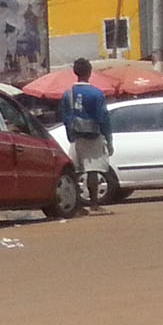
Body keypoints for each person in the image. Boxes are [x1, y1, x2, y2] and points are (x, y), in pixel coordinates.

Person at [59, 58, 116, 211]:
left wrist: (70, 136)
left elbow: (65, 117)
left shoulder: (67, 94)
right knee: (92, 170)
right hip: (94, 135)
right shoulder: (97, 94)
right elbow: (104, 119)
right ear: (89, 72)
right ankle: (94, 204)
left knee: (75, 172)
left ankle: (76, 204)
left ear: (75, 72)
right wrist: (109, 141)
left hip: (76, 136)